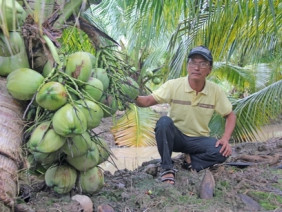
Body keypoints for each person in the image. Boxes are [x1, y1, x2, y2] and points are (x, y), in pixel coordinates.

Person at [135, 45, 236, 185]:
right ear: (187, 66)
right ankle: (167, 167)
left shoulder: (215, 91)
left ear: (209, 70)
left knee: (222, 151)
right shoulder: (173, 85)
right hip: (176, 138)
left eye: (202, 64)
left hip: (198, 140)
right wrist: (130, 94)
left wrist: (225, 138)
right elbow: (146, 101)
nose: (197, 67)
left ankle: (190, 162)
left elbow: (230, 115)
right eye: (193, 62)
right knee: (164, 122)